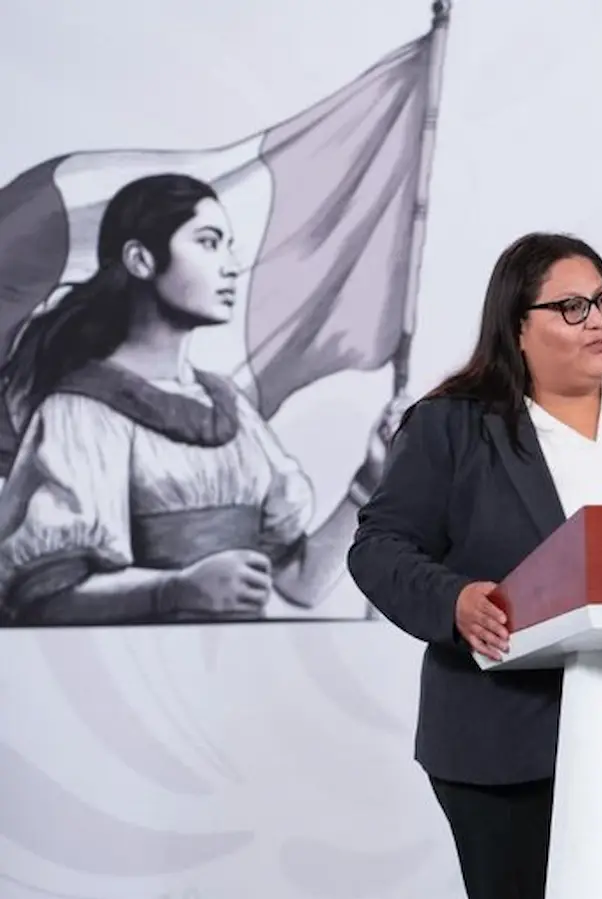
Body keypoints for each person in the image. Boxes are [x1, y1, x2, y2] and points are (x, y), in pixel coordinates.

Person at [346, 231, 602, 899]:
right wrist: (455, 602)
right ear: (517, 327)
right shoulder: (453, 425)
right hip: (511, 742)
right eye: (572, 307)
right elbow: (378, 547)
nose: (598, 320)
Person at [0, 172, 395, 625]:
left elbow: (301, 583)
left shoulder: (231, 409)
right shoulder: (80, 413)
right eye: (208, 243)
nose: (230, 265)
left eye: (229, 245)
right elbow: (44, 599)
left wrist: (371, 482)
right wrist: (176, 589)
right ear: (141, 259)